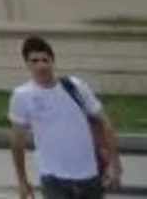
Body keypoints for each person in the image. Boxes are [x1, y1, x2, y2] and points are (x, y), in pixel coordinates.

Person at [10, 36, 120, 198]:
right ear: (26, 64)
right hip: (53, 179)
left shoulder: (75, 87)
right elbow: (17, 142)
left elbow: (104, 122)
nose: (41, 66)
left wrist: (115, 163)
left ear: (53, 62)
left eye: (45, 60)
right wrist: (22, 180)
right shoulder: (22, 96)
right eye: (34, 61)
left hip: (88, 176)